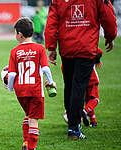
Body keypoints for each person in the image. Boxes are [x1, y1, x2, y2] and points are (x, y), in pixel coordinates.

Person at [45, 0, 117, 139]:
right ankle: (74, 128)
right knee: (79, 87)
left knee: (70, 85)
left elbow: (52, 22)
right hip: (86, 47)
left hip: (67, 48)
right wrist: (110, 36)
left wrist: (52, 47)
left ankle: (71, 119)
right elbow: (107, 16)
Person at [7, 17, 56, 150]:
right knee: (33, 120)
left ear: (20, 34)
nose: (15, 35)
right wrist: (51, 82)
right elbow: (46, 68)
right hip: (35, 90)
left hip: (20, 91)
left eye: (15, 33)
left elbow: (12, 74)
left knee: (28, 115)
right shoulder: (40, 48)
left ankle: (26, 142)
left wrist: (10, 88)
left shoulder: (14, 51)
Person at [63, 48, 103, 128]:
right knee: (94, 99)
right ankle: (84, 112)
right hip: (91, 78)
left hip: (79, 81)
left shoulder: (68, 54)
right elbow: (99, 51)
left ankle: (92, 121)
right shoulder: (85, 47)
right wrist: (97, 60)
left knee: (83, 99)